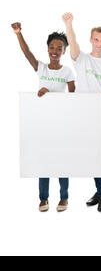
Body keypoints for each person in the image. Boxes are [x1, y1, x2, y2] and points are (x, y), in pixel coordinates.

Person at [12, 22, 75, 212]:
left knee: (62, 161)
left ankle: (64, 198)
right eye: (52, 47)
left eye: (59, 48)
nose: (55, 51)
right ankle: (43, 198)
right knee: (44, 160)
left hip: (61, 123)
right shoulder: (41, 68)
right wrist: (18, 34)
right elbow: (27, 53)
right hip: (42, 122)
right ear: (47, 49)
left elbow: (73, 98)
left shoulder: (67, 72)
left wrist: (50, 94)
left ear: (64, 51)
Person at [62, 12, 101, 212]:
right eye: (96, 39)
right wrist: (69, 25)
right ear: (91, 40)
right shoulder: (82, 60)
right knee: (91, 156)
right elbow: (73, 44)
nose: (99, 43)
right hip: (83, 115)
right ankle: (99, 191)